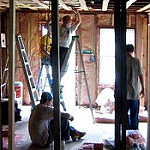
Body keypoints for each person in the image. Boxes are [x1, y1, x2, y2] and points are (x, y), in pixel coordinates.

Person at [126, 44, 144, 130]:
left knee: (124, 115)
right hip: (134, 93)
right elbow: (141, 75)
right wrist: (143, 88)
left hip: (124, 93)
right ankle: (134, 133)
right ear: (132, 51)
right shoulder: (136, 61)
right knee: (134, 115)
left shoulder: (122, 61)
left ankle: (126, 136)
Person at [36, 22, 52, 92]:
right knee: (51, 74)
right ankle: (52, 82)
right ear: (48, 29)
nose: (51, 30)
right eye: (50, 28)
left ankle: (53, 82)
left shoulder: (53, 38)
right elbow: (43, 49)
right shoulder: (45, 38)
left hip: (50, 57)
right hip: (45, 58)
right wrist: (49, 56)